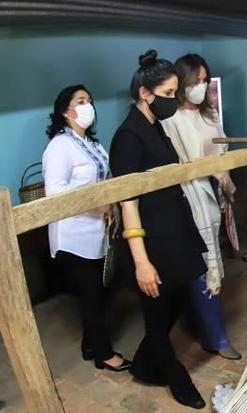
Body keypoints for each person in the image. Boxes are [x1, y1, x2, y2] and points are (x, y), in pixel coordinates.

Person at [109, 50, 207, 409]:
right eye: (168, 95)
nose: (173, 101)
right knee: (156, 309)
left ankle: (148, 363)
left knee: (179, 297)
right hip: (150, 237)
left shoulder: (154, 126)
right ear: (144, 93)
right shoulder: (128, 138)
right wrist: (141, 262)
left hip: (174, 228)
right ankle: (176, 379)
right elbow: (127, 202)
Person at [42, 85, 131, 372]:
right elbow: (55, 192)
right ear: (65, 111)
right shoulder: (59, 146)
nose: (87, 106)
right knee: (92, 294)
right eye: (81, 101)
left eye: (89, 101)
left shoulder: (93, 144)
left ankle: (89, 343)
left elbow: (106, 180)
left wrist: (113, 206)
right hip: (73, 234)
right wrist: (94, 206)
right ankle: (103, 353)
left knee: (102, 290)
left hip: (98, 231)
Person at [161, 53, 241, 360]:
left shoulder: (209, 115)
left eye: (204, 80)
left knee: (209, 258)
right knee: (202, 263)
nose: (200, 85)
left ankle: (198, 322)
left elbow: (222, 151)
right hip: (187, 195)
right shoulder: (171, 119)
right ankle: (216, 337)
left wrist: (225, 178)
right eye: (195, 80)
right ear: (180, 83)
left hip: (211, 191)